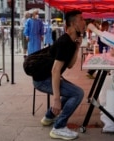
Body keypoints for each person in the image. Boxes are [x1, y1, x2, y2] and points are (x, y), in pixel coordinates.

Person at [33, 10, 85, 140]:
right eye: (81, 19)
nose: (84, 22)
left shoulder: (71, 42)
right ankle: (59, 127)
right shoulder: (64, 42)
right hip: (43, 79)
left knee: (72, 92)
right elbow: (55, 70)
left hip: (46, 77)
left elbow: (70, 65)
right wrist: (56, 100)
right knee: (77, 93)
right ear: (73, 24)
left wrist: (77, 47)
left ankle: (49, 117)